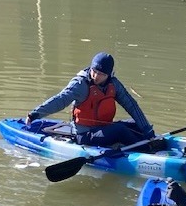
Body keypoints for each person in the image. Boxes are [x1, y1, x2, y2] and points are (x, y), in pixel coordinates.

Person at [25, 52, 154, 148]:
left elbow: (131, 105)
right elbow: (59, 100)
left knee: (135, 124)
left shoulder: (114, 85)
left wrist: (147, 130)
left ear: (109, 75)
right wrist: (35, 114)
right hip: (85, 135)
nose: (96, 76)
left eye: (101, 74)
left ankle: (149, 140)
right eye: (94, 71)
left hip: (104, 129)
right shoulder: (80, 85)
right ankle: (147, 149)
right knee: (120, 130)